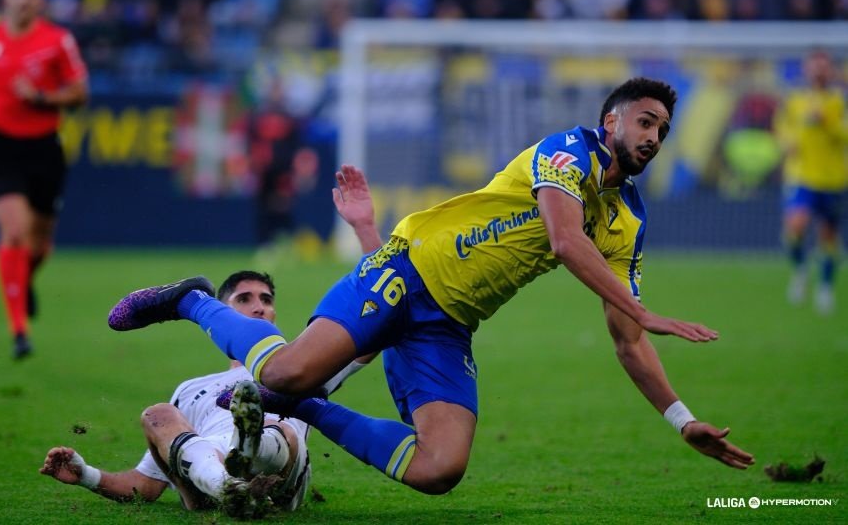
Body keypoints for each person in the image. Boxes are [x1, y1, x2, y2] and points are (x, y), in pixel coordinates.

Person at [109, 78, 755, 497]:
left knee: (440, 467)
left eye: (664, 131)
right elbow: (564, 240)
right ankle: (192, 299)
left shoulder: (627, 222)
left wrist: (683, 420)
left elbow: (627, 342)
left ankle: (305, 413)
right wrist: (644, 308)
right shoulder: (568, 151)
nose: (654, 137)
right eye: (645, 122)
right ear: (611, 120)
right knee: (283, 372)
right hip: (406, 269)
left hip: (448, 325)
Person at [42, 171, 381, 516]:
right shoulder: (190, 390)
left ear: (274, 313)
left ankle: (244, 452)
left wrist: (365, 229)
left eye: (265, 298)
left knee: (279, 425)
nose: (259, 305)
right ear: (223, 317)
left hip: (278, 482)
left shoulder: (301, 365)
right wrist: (86, 475)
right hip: (204, 482)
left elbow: (375, 322)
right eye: (244, 299)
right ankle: (226, 483)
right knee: (158, 414)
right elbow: (145, 485)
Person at [0, 0, 89, 359]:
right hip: (2, 147)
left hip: (46, 148)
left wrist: (42, 97)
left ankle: (23, 280)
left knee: (40, 242)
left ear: (40, 0)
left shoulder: (56, 40)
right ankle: (19, 330)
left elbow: (80, 92)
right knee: (14, 232)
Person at [774, 50, 847, 315]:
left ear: (830, 71)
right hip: (801, 175)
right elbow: (781, 127)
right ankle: (800, 269)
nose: (818, 72)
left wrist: (827, 122)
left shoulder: (839, 100)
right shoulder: (794, 100)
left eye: (823, 67)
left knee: (828, 236)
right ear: (806, 69)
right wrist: (786, 143)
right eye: (814, 67)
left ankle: (825, 287)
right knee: (796, 225)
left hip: (833, 178)